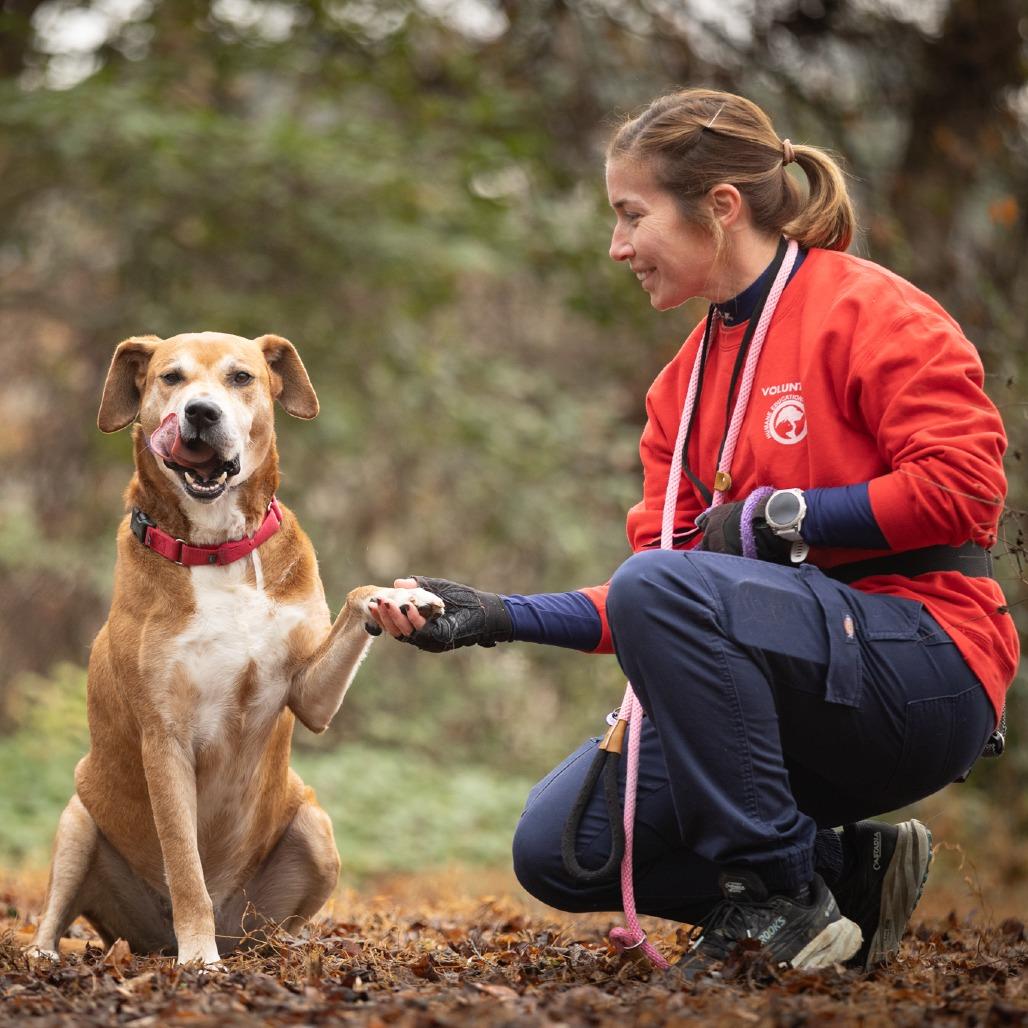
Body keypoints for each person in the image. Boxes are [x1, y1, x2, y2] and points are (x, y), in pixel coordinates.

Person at [366, 88, 1017, 978]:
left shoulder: (873, 310)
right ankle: (847, 877)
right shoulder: (680, 388)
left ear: (720, 207)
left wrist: (779, 516)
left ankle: (778, 899)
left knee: (664, 592)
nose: (617, 246)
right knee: (564, 845)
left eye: (632, 216)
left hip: (924, 666)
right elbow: (655, 596)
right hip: (782, 706)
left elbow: (964, 493)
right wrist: (497, 614)